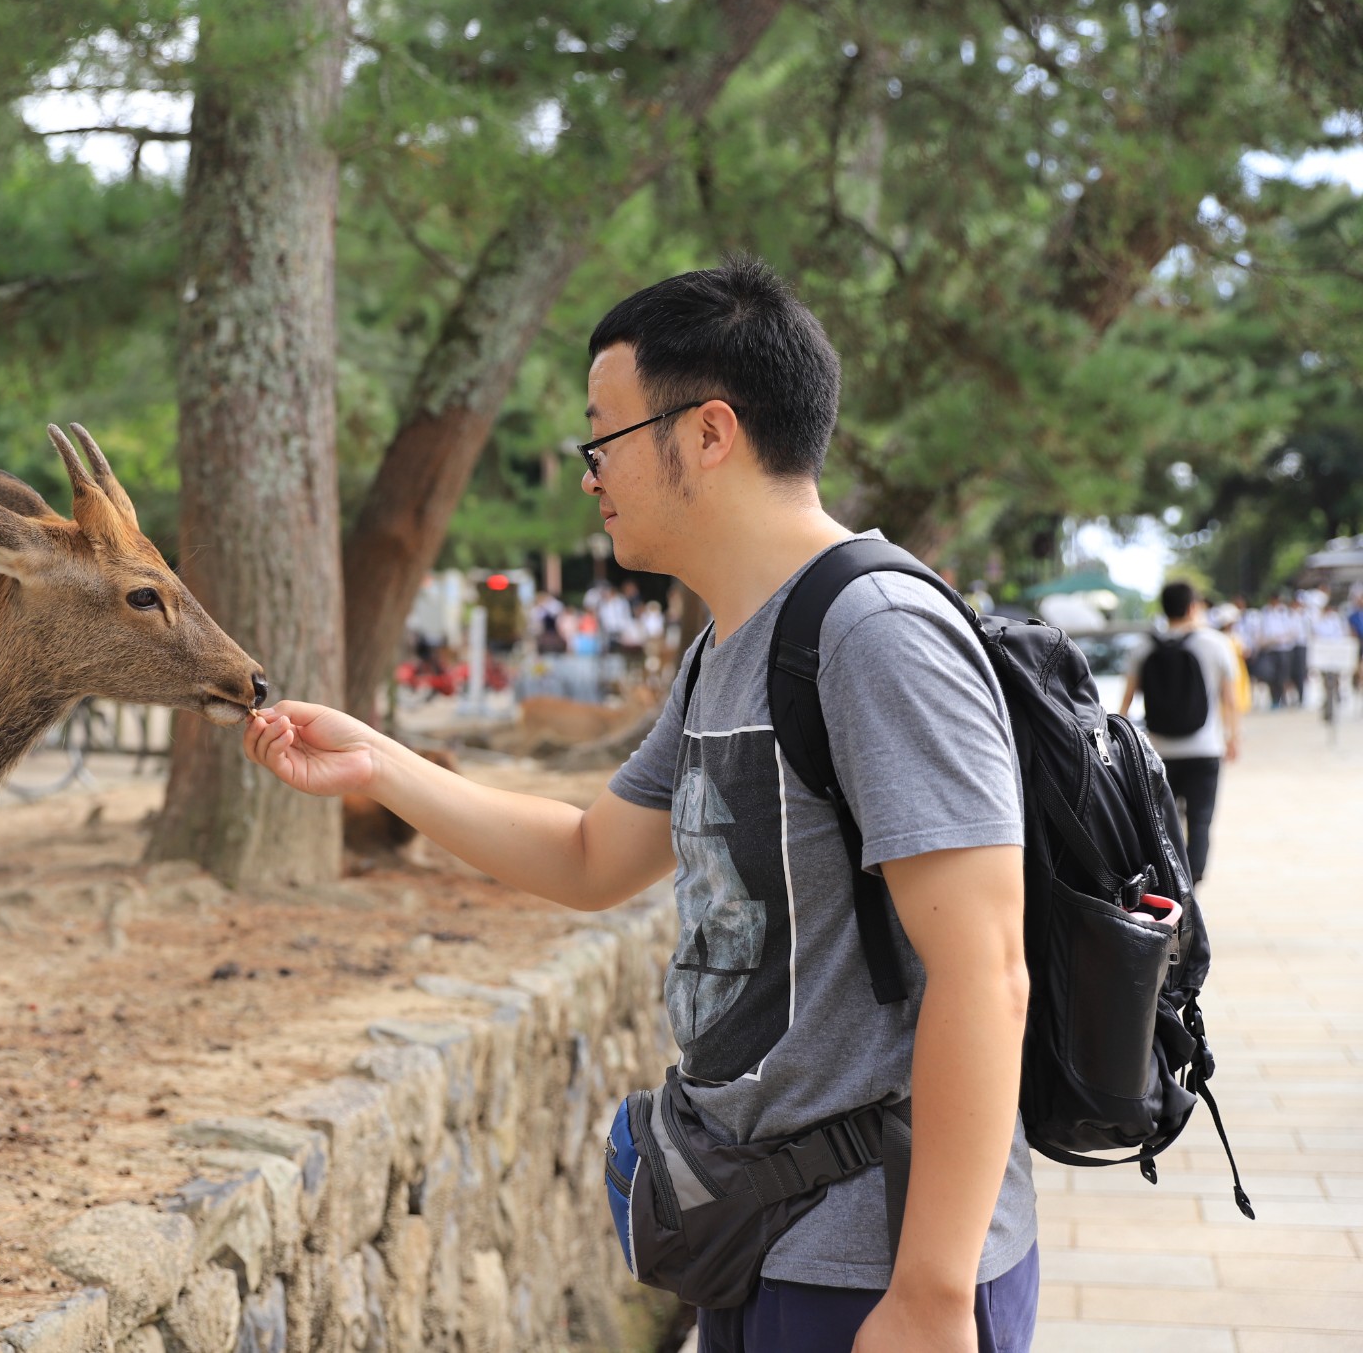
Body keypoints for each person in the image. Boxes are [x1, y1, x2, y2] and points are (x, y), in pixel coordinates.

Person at [245, 258, 1036, 1353]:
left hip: (873, 1268)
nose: (587, 473)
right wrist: (377, 764)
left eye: (602, 437)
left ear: (707, 433)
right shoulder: (727, 644)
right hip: (755, 1234)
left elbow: (985, 965)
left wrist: (931, 1294)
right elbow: (586, 857)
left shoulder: (873, 634)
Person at [1118, 583, 1240, 887]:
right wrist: (1233, 737)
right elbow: (1230, 699)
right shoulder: (1215, 643)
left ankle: (1171, 883)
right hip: (1206, 751)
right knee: (1200, 822)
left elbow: (1127, 702)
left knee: (1160, 825)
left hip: (1159, 753)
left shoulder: (1143, 647)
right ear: (1192, 607)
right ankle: (1193, 883)